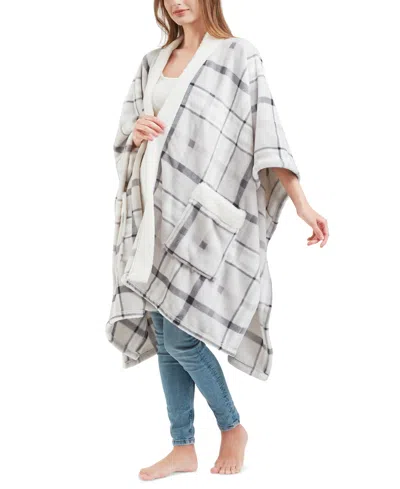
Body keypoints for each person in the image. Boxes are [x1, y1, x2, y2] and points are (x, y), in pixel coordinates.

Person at [112, 0, 329, 481]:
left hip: (201, 220)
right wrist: (136, 133)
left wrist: (301, 203)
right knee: (165, 335)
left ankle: (232, 428)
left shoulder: (238, 55)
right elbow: (127, 133)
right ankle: (182, 447)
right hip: (152, 215)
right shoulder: (153, 61)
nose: (178, 2)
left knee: (182, 337)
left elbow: (268, 137)